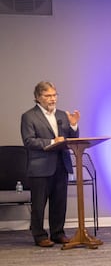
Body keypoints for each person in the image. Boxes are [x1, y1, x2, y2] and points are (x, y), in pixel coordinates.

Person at [21, 81, 80, 247]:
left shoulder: (62, 115)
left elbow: (72, 139)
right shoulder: (29, 116)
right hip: (40, 167)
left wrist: (74, 125)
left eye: (54, 95)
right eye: (48, 96)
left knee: (59, 202)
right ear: (38, 98)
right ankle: (40, 236)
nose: (52, 99)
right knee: (39, 205)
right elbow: (29, 141)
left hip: (61, 164)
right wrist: (52, 141)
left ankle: (58, 233)